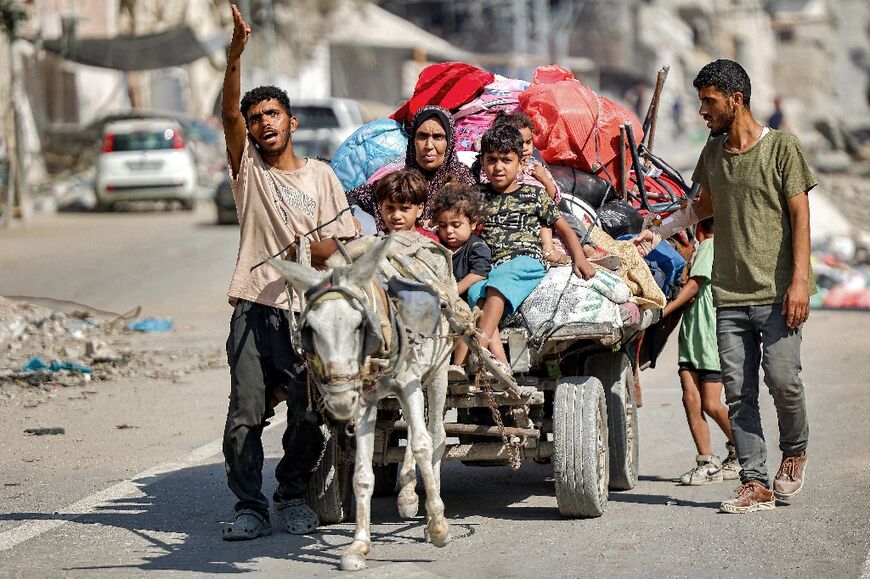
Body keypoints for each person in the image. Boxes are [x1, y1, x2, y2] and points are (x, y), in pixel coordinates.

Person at [633, 59, 817, 514]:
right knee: (738, 391)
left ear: (736, 100)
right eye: (700, 101)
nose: (702, 111)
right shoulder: (714, 153)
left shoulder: (782, 148)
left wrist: (799, 281)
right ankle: (754, 480)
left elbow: (800, 216)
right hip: (729, 295)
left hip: (776, 293)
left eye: (709, 101)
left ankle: (793, 453)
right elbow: (700, 207)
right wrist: (656, 232)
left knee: (783, 380)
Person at [220, 4, 356, 540]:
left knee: (308, 411)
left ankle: (292, 494)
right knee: (245, 416)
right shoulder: (247, 171)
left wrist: (316, 249)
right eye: (255, 119)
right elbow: (227, 113)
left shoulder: (322, 177)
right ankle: (250, 507)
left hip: (311, 313)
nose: (262, 124)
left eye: (272, 115)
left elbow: (341, 248)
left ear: (291, 122)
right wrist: (235, 57)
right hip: (256, 307)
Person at [466, 124, 596, 365]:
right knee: (475, 293)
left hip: (525, 262)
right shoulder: (476, 195)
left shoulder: (534, 195)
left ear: (520, 163)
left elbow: (564, 228)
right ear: (482, 163)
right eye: (491, 160)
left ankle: (476, 351)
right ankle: (501, 367)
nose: (498, 167)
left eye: (506, 160)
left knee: (497, 284)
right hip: (491, 265)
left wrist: (580, 259)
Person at [661, 218, 738, 485]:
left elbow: (694, 286)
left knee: (711, 403)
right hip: (693, 337)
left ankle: (741, 451)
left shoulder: (710, 246)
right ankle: (706, 461)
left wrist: (662, 312)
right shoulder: (708, 251)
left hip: (708, 338)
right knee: (690, 398)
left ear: (700, 230)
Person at [349, 105, 476, 231]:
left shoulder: (463, 180)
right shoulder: (399, 181)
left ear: (450, 142)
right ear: (412, 141)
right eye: (422, 136)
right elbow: (351, 198)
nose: (429, 145)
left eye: (438, 137)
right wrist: (352, 217)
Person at [490, 112, 569, 266]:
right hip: (519, 214)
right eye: (520, 143)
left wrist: (544, 178)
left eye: (528, 142)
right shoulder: (502, 168)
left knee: (568, 220)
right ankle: (548, 251)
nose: (525, 148)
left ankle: (587, 249)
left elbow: (554, 198)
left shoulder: (536, 166)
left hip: (545, 210)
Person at [432, 181, 492, 374]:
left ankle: (457, 367)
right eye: (443, 226)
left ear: (473, 223)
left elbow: (479, 272)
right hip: (443, 303)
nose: (449, 231)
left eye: (456, 225)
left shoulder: (476, 247)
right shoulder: (438, 248)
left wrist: (453, 291)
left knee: (463, 321)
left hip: (467, 303)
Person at [374, 167, 438, 240]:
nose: (396, 216)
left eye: (404, 209)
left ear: (419, 209)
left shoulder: (430, 243)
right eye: (390, 208)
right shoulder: (375, 243)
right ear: (381, 208)